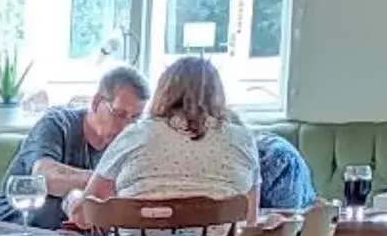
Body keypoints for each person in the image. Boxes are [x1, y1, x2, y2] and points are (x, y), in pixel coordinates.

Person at [67, 54, 256, 220]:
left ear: (163, 92)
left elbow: (85, 216)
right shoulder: (244, 141)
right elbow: (250, 221)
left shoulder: (135, 135)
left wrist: (73, 198)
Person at [0, 66, 148, 228]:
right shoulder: (57, 122)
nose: (126, 127)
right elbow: (44, 177)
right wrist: (103, 182)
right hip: (6, 232)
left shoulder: (126, 144)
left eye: (134, 119)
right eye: (120, 114)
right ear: (97, 102)